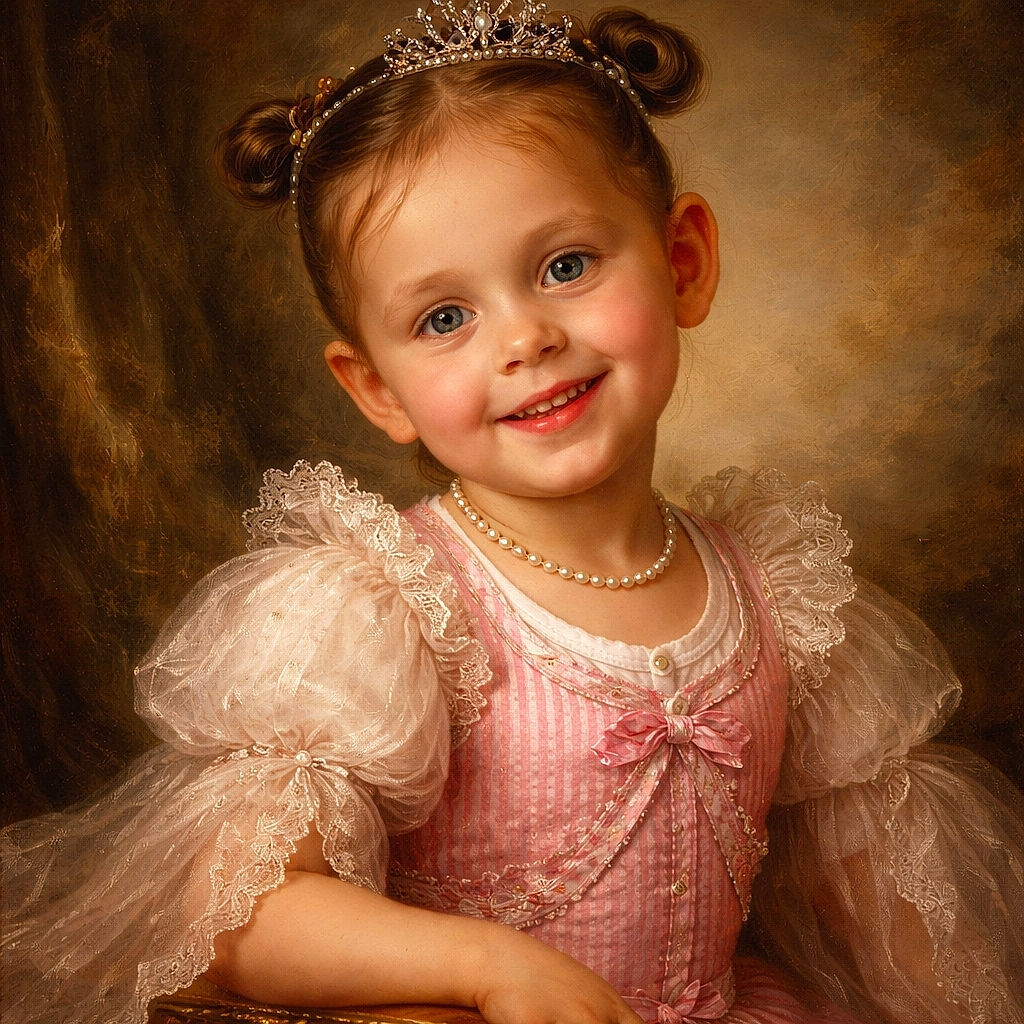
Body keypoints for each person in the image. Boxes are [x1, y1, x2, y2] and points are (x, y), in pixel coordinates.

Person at [2, 3, 1022, 1023]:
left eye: (565, 266)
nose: (525, 338)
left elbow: (896, 923)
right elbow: (238, 915)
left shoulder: (781, 601)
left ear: (682, 261)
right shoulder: (385, 609)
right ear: (378, 389)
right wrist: (488, 967)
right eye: (444, 317)